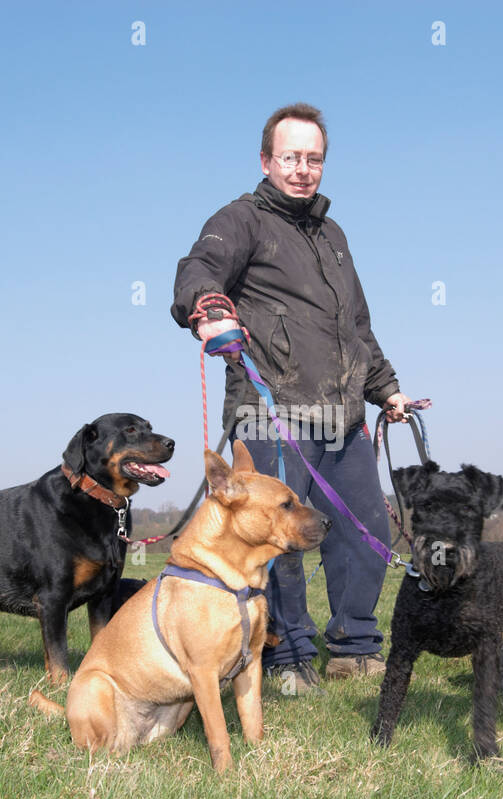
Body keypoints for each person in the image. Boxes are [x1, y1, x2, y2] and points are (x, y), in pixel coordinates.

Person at [171, 102, 411, 693]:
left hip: (342, 415)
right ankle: (285, 654)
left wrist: (386, 388)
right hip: (271, 409)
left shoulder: (333, 235)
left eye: (313, 158)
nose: (302, 169)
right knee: (278, 538)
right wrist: (209, 309)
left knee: (367, 529)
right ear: (266, 160)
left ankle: (354, 647)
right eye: (291, 157)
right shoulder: (239, 220)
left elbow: (355, 323)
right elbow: (196, 270)